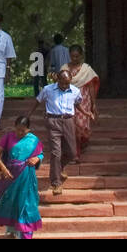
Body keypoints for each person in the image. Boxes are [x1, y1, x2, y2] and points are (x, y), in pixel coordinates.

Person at [0, 115, 44, 239]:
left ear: (28, 130)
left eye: (23, 130)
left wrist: (37, 158)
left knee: (27, 205)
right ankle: (12, 231)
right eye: (18, 129)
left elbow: (40, 154)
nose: (20, 133)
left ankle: (26, 235)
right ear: (14, 127)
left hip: (27, 177)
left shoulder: (34, 140)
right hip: (10, 176)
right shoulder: (8, 137)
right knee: (12, 203)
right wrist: (3, 168)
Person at [34, 67, 81, 195]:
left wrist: (87, 112)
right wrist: (28, 115)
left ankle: (59, 168)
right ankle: (56, 183)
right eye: (62, 83)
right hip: (53, 121)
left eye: (68, 83)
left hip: (68, 121)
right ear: (57, 80)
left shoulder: (75, 91)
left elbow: (77, 103)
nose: (65, 86)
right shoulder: (48, 89)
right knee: (56, 152)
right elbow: (37, 101)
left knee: (71, 152)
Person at [66, 44, 99, 159]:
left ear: (81, 56)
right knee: (71, 125)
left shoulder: (86, 70)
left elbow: (91, 87)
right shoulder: (65, 68)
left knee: (82, 125)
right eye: (72, 56)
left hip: (84, 100)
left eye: (77, 56)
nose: (74, 59)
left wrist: (93, 104)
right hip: (68, 100)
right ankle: (76, 151)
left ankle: (81, 144)